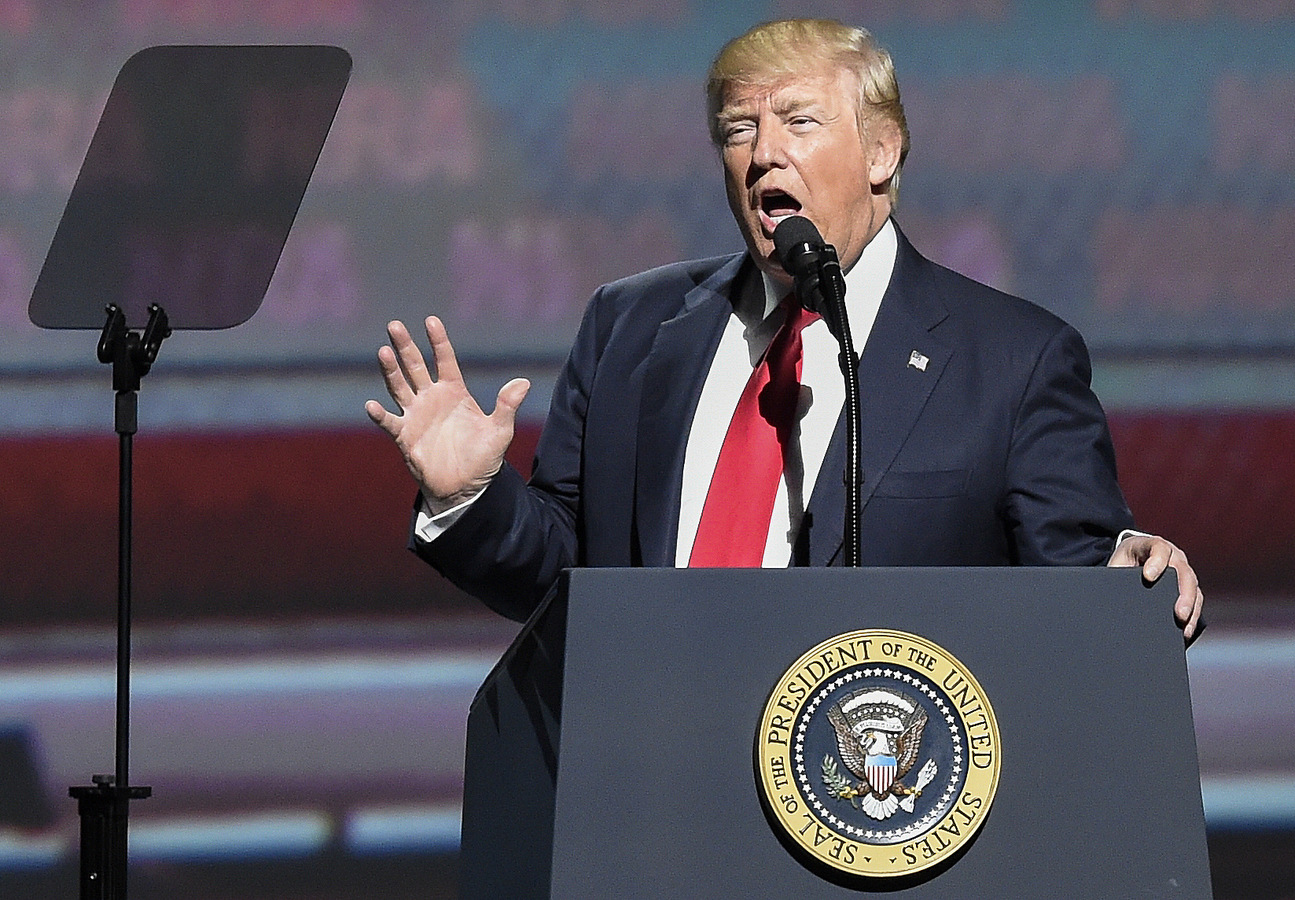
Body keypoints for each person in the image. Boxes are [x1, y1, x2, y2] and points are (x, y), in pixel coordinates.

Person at [366, 18, 1203, 640]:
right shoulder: (629, 327)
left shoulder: (1013, 361)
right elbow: (564, 581)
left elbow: (1078, 577)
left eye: (799, 122)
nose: (763, 153)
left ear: (882, 153)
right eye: (739, 129)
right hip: (651, 793)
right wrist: (471, 495)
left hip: (881, 806)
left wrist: (1124, 577)